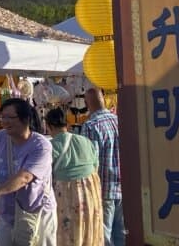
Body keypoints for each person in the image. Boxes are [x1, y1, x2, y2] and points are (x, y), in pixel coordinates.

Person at [0, 98, 57, 246]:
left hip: (36, 213)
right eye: (3, 117)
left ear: (25, 119)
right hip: (7, 214)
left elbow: (25, 177)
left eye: (10, 117)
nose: (5, 121)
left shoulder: (41, 145)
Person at [45, 108, 103, 246]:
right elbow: (96, 165)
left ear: (49, 126)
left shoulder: (51, 146)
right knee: (89, 228)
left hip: (67, 194)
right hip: (91, 191)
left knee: (69, 233)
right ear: (66, 124)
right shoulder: (85, 140)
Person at [80, 88, 123, 246]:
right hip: (122, 187)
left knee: (103, 236)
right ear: (103, 99)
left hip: (103, 189)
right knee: (121, 236)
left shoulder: (91, 126)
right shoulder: (119, 121)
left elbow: (91, 163)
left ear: (87, 104)